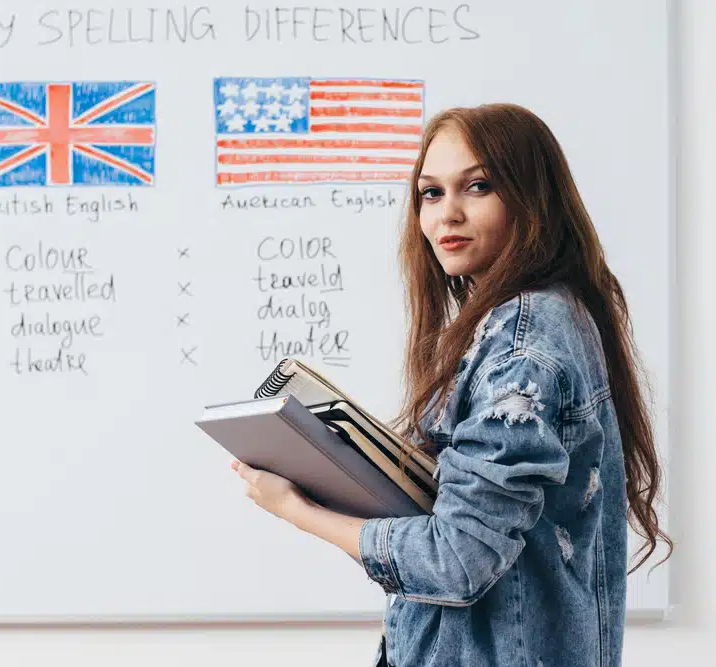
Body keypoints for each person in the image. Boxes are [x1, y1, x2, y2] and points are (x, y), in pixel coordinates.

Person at [230, 103, 672, 667]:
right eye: (431, 193)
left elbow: (456, 560)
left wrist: (296, 509)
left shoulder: (522, 342)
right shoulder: (540, 320)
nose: (448, 214)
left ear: (534, 200)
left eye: (479, 186)